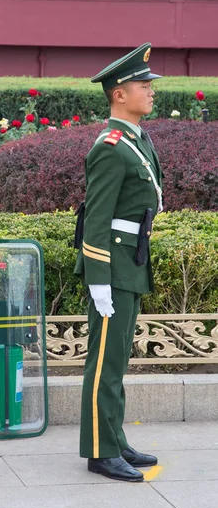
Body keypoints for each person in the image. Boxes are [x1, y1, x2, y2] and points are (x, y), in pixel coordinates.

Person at [74, 43, 163, 482]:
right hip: (112, 264)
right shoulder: (111, 146)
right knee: (104, 361)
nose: (150, 89)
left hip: (131, 261)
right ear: (118, 94)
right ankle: (99, 449)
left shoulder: (136, 138)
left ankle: (114, 437)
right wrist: (98, 279)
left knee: (117, 360)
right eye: (141, 84)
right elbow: (96, 217)